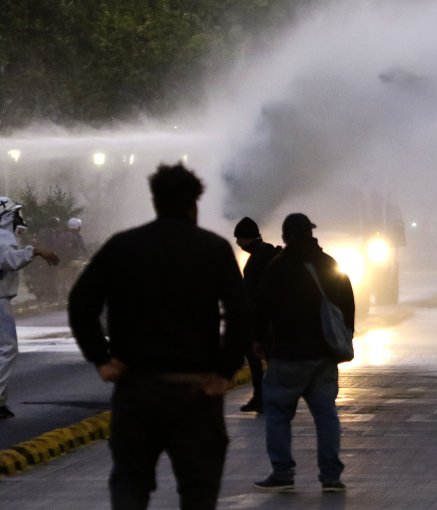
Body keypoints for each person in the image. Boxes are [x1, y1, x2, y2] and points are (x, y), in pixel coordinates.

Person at [68, 163, 251, 510]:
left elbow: (81, 302)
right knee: (198, 489)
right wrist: (225, 371)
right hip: (196, 391)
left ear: (155, 201)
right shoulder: (213, 249)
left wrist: (101, 358)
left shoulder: (122, 246)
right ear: (194, 203)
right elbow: (241, 314)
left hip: (136, 390)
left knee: (130, 484)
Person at [253, 212, 354, 494]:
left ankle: (283, 472)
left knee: (277, 412)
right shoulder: (330, 264)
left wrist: (259, 340)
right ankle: (331, 477)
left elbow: (262, 308)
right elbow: (347, 303)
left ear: (286, 236)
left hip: (287, 355)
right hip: (323, 354)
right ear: (311, 233)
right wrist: (346, 335)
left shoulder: (278, 267)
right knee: (326, 415)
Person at [0, 197, 59, 419]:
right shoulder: (3, 236)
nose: (19, 219)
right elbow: (9, 260)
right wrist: (34, 251)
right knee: (7, 349)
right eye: (15, 214)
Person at [233, 216, 281, 413]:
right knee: (270, 358)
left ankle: (262, 397)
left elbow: (254, 294)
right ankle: (268, 397)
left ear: (247, 238)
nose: (237, 243)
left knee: (256, 356)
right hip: (272, 318)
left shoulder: (256, 260)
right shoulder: (268, 253)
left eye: (239, 238)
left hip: (260, 318)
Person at [56, 217, 88, 296]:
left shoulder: (62, 235)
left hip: (61, 261)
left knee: (65, 278)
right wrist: (87, 255)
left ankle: (63, 293)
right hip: (73, 260)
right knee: (78, 273)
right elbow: (83, 248)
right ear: (78, 227)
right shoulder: (78, 236)